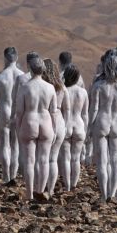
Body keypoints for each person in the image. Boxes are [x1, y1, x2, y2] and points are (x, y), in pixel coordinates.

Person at [89, 53, 117, 200]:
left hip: (102, 121)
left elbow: (94, 109)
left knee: (102, 161)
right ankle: (113, 194)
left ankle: (104, 194)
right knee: (115, 161)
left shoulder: (98, 85)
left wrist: (90, 126)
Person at [15, 56, 56, 201]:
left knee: (29, 161)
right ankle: (41, 191)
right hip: (46, 123)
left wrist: (18, 128)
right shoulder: (50, 88)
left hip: (29, 122)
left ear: (30, 69)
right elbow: (53, 111)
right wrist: (55, 129)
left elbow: (19, 112)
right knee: (44, 160)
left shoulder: (25, 87)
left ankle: (30, 193)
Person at [0, 47, 25, 185]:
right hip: (18, 112)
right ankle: (13, 176)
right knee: (15, 145)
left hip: (3, 111)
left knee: (4, 145)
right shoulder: (23, 76)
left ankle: (6, 175)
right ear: (16, 57)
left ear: (5, 58)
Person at [43, 58, 70, 195]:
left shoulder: (43, 86)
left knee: (42, 158)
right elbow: (67, 109)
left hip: (45, 120)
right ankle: (51, 189)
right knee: (53, 159)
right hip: (59, 121)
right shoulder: (62, 88)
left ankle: (40, 187)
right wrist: (67, 126)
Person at [61, 64, 88, 191]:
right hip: (79, 126)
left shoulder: (61, 91)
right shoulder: (83, 92)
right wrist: (86, 130)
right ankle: (74, 185)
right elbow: (85, 114)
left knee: (66, 158)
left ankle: (66, 186)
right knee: (76, 159)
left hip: (65, 126)